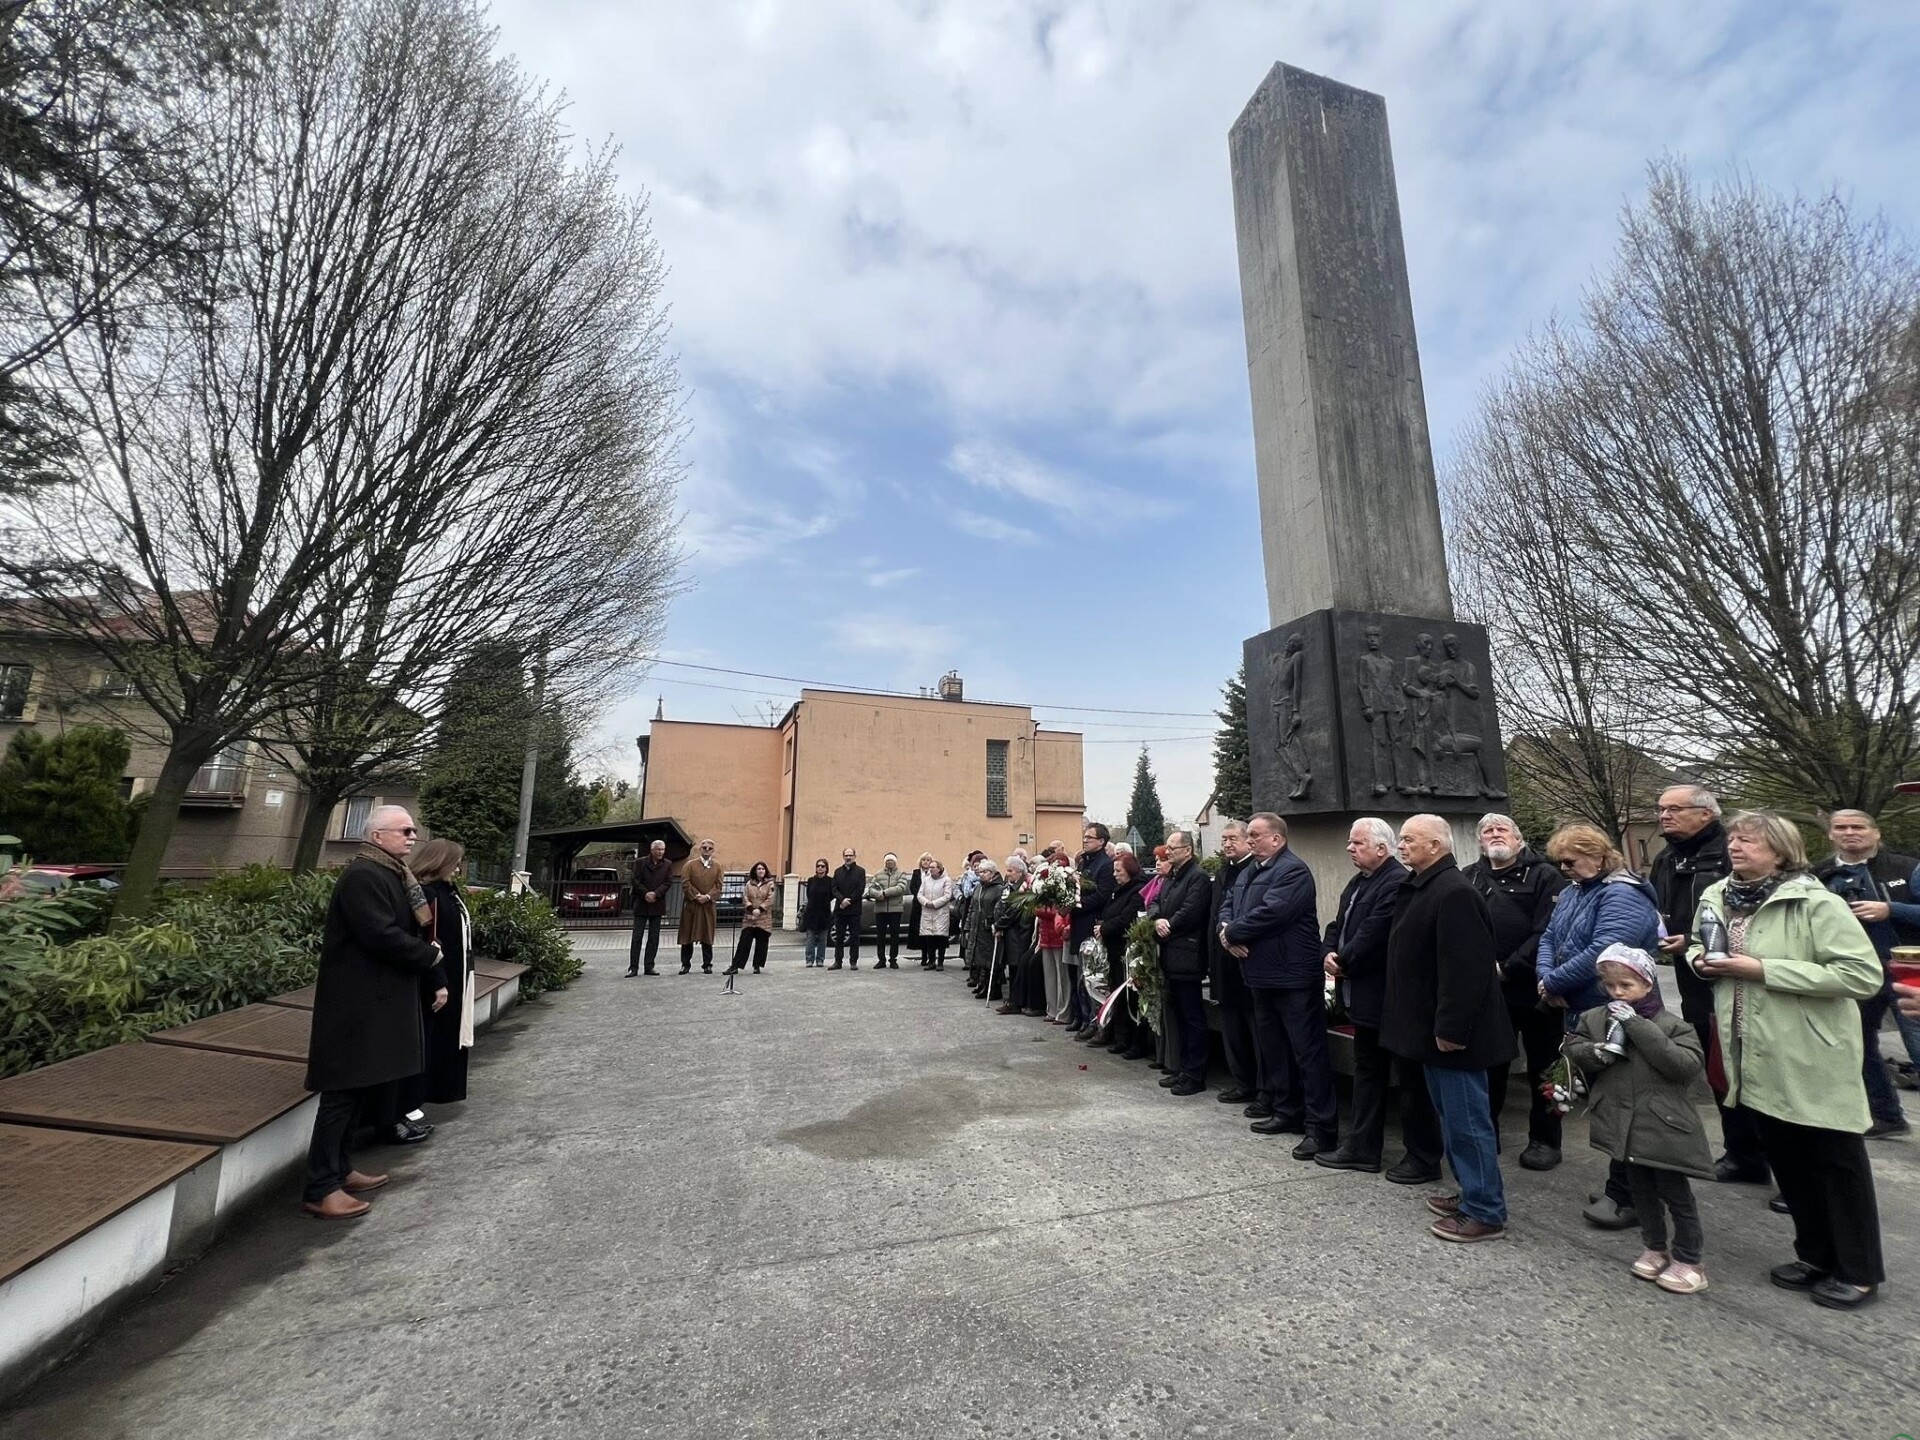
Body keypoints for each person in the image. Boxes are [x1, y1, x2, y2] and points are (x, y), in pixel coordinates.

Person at [1689, 809, 1886, 1310]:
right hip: (1749, 1048)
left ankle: (1858, 1271)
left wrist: (1763, 970)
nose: (1735, 846)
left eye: (1749, 840)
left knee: (1835, 1162)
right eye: (1733, 838)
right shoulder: (1717, 896)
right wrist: (1698, 960)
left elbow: (1862, 975)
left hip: (1811, 1051)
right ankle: (1814, 1256)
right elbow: (1696, 944)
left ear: (1780, 851)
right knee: (1788, 1160)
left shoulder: (1815, 902)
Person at [301, 806, 444, 1220]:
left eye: (413, 830)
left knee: (358, 1090)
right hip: (355, 1006)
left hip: (371, 1002)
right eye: (404, 830)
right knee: (342, 1094)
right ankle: (321, 1187)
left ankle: (341, 1170)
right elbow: (380, 934)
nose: (412, 836)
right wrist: (428, 955)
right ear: (377, 836)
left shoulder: (389, 872)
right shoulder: (364, 875)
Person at [1381, 814, 1515, 1243]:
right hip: (1430, 1030)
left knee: (1467, 1123)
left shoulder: (1453, 892)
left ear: (1436, 846)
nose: (1401, 846)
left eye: (1409, 839)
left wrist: (1452, 1028)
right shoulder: (1426, 885)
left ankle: (1485, 1211)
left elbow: (1466, 971)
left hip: (1455, 1036)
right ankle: (1470, 1193)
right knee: (1453, 1120)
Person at [1565, 945, 1714, 1294]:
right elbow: (1576, 1046)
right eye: (1610, 986)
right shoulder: (1596, 1018)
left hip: (1663, 1127)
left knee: (1676, 1195)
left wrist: (1636, 1026)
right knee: (1641, 1192)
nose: (1617, 993)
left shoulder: (1672, 1025)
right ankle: (1654, 1246)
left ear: (1648, 984)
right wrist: (1595, 1052)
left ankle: (1689, 1258)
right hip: (1624, 1126)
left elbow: (1685, 1066)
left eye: (1626, 985)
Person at [1536, 823, 1662, 1231]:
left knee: (1626, 1105)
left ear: (1598, 855)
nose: (1565, 869)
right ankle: (1622, 1186)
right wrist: (1546, 980)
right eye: (1561, 862)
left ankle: (1630, 1197)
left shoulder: (1622, 894)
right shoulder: (1577, 890)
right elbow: (1549, 937)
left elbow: (1604, 952)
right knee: (1608, 1104)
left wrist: (1554, 983)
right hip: (1584, 1009)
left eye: (1571, 861)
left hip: (1617, 1012)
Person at [1647, 786, 1766, 1185]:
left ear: (1705, 813)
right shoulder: (1666, 857)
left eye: (1675, 809)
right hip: (1696, 982)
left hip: (1745, 981)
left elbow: (1750, 915)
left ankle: (1787, 1165)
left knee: (1757, 1071)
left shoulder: (1732, 853)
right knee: (1720, 1070)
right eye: (1661, 809)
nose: (1664, 815)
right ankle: (1743, 1154)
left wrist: (1690, 939)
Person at [1315, 818, 1430, 1177]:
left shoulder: (1395, 881)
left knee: (1410, 1080)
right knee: (1367, 1073)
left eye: (1357, 843)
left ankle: (1422, 1157)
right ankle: (1363, 1149)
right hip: (1361, 998)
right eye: (1350, 842)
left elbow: (1376, 931)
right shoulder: (1358, 881)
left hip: (1388, 997)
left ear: (1381, 848)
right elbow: (1337, 925)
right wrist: (1327, 952)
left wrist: (1343, 960)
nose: (1349, 848)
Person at [1219, 813, 1334, 1158]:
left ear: (1277, 839)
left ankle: (1320, 1128)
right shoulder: (1249, 871)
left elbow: (1273, 912)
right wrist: (1225, 932)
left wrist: (1232, 933)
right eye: (1249, 835)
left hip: (1293, 976)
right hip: (1260, 975)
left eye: (1256, 835)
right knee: (1275, 1049)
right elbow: (1228, 905)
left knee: (1307, 1053)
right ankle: (1287, 1111)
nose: (1250, 840)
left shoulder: (1292, 871)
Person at [1466, 814, 1568, 1171]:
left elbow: (1548, 931)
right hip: (1489, 993)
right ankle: (1485, 1135)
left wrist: (1508, 967)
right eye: (1487, 831)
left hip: (1537, 990)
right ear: (1480, 842)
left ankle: (1546, 1140)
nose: (1494, 835)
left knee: (1546, 1067)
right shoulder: (1469, 876)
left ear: (1518, 839)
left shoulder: (1545, 876)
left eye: (1502, 830)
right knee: (1489, 1065)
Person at [1814, 808, 1919, 1139]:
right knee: (1855, 1043)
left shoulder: (1907, 867)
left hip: (1907, 970)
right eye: (1841, 827)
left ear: (1876, 833)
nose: (1850, 833)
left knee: (1917, 1043)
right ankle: (1886, 1115)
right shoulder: (1819, 875)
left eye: (1858, 826)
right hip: (1854, 970)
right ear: (1831, 834)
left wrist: (1890, 909)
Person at [1146, 829, 1213, 1095]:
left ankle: (1195, 1073)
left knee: (1192, 1017)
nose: (1168, 851)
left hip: (1187, 955)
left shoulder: (1197, 877)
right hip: (1170, 954)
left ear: (1188, 850)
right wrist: (1157, 920)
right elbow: (1154, 902)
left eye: (1173, 847)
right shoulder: (1172, 876)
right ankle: (1183, 1069)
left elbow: (1191, 911)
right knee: (1180, 1016)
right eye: (1168, 847)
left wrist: (1169, 925)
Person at [413, 838, 474, 1108]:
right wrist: (438, 980)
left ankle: (445, 1088)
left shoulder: (448, 893)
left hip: (457, 973)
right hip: (440, 976)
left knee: (450, 1031)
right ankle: (425, 1093)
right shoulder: (429, 894)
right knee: (435, 1034)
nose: (458, 869)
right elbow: (427, 939)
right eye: (455, 863)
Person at [1207, 821, 1260, 1108]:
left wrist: (1233, 936)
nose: (1227, 844)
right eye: (1224, 839)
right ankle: (1241, 1082)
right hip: (1223, 960)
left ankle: (1260, 1086)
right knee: (1232, 1029)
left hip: (1245, 958)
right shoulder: (1223, 872)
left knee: (1254, 1029)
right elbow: (1218, 914)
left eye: (1233, 838)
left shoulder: (1253, 870)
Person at [1091, 850, 1149, 1054]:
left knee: (1130, 997)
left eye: (1118, 871)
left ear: (1129, 871)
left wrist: (1105, 928)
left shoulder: (1137, 891)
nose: (1114, 874)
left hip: (1127, 952)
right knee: (1119, 996)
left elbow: (1127, 918)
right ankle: (1121, 1038)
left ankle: (1135, 1042)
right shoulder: (1119, 890)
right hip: (1114, 949)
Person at [1066, 823, 1116, 1038]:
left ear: (1101, 842)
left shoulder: (1105, 865)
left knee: (1092, 978)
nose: (1085, 840)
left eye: (1090, 837)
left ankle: (1096, 1022)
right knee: (1080, 977)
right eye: (1084, 837)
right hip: (1079, 925)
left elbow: (1101, 896)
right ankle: (1082, 1017)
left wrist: (1075, 904)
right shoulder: (1084, 862)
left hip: (1091, 925)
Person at [993, 856, 1037, 1011]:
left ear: (1019, 872)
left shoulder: (1024, 887)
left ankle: (1016, 1001)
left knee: (1017, 967)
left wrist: (999, 924)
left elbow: (1014, 910)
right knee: (1012, 968)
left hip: (1020, 932)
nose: (1008, 873)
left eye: (1010, 871)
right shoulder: (1009, 887)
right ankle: (1013, 999)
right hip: (1011, 932)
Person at [627, 839, 674, 977]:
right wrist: (646, 893)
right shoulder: (640, 862)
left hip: (657, 904)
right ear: (652, 850)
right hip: (641, 903)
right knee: (637, 937)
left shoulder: (667, 864)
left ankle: (649, 966)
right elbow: (635, 880)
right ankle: (633, 967)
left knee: (654, 937)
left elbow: (668, 882)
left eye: (663, 849)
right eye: (658, 849)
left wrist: (656, 893)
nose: (661, 852)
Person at [677, 839, 722, 974]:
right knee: (687, 934)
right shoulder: (689, 865)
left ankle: (707, 964)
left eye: (709, 848)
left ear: (713, 850)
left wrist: (707, 897)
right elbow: (685, 882)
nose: (707, 850)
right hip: (692, 905)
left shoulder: (717, 867)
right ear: (700, 849)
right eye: (704, 847)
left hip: (708, 906)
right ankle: (685, 964)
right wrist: (697, 896)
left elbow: (719, 885)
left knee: (707, 934)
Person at [966, 858, 1006, 996]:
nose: (981, 874)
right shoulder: (978, 888)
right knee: (979, 958)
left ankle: (994, 987)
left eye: (984, 872)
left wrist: (997, 925)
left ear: (992, 873)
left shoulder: (999, 889)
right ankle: (982, 983)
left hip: (989, 928)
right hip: (977, 927)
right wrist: (967, 926)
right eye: (980, 872)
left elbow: (1000, 909)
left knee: (991, 959)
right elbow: (972, 908)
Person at [729, 862, 774, 973]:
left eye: (763, 869)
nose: (761, 871)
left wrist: (760, 909)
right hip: (749, 918)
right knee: (744, 943)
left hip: (764, 918)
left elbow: (770, 899)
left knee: (761, 943)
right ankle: (735, 966)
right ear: (755, 871)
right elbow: (745, 898)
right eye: (759, 869)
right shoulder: (749, 884)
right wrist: (751, 909)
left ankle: (757, 966)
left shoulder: (770, 884)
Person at [866, 854, 910, 969]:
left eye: (891, 860)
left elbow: (901, 888)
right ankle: (881, 960)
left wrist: (885, 893)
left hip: (895, 909)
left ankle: (893, 959)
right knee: (880, 936)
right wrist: (877, 894)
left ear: (895, 862)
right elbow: (870, 889)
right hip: (880, 910)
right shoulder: (878, 874)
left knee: (894, 936)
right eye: (887, 860)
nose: (889, 862)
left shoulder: (901, 874)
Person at [830, 848, 865, 969]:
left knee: (854, 937)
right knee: (839, 937)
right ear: (843, 856)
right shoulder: (837, 871)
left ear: (855, 856)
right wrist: (842, 900)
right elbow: (834, 888)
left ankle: (853, 961)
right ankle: (838, 961)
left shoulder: (860, 871)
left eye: (850, 855)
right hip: (840, 909)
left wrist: (848, 901)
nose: (848, 857)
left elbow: (860, 889)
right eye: (846, 855)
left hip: (854, 910)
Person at [918, 858, 954, 969]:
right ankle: (931, 961)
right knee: (929, 938)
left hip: (940, 913)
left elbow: (947, 896)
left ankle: (940, 962)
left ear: (939, 869)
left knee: (941, 937)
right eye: (930, 867)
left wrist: (934, 904)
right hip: (927, 912)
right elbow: (919, 894)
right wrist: (926, 902)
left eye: (933, 867)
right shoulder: (926, 880)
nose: (931, 869)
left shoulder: (946, 880)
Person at [799, 859, 834, 967]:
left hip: (824, 913)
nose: (820, 868)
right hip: (812, 913)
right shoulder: (811, 880)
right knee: (810, 938)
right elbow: (809, 894)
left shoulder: (830, 881)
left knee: (823, 938)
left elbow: (832, 895)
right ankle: (809, 959)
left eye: (822, 866)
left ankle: (820, 960)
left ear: (826, 868)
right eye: (818, 866)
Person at [908, 852, 932, 966]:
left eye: (928, 860)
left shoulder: (934, 873)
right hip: (918, 906)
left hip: (931, 905)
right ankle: (923, 956)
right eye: (924, 860)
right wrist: (921, 898)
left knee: (930, 932)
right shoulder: (916, 873)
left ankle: (931, 956)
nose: (926, 862)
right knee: (920, 931)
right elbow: (913, 887)